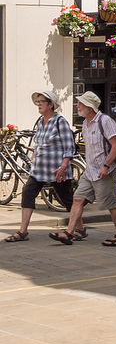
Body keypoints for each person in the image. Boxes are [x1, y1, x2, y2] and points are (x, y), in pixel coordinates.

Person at [49, 91, 116, 247]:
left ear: (90, 107)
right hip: (90, 171)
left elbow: (115, 146)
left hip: (105, 172)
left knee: (110, 205)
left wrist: (106, 166)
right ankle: (69, 233)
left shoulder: (105, 121)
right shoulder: (85, 123)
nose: (77, 106)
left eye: (81, 104)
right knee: (77, 199)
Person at [4, 90, 76, 243]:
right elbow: (39, 143)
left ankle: (80, 229)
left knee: (67, 200)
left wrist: (64, 166)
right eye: (37, 101)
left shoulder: (60, 121)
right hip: (39, 170)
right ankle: (23, 232)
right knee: (28, 193)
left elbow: (69, 146)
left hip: (57, 170)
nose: (38, 104)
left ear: (51, 104)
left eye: (42, 101)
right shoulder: (39, 121)